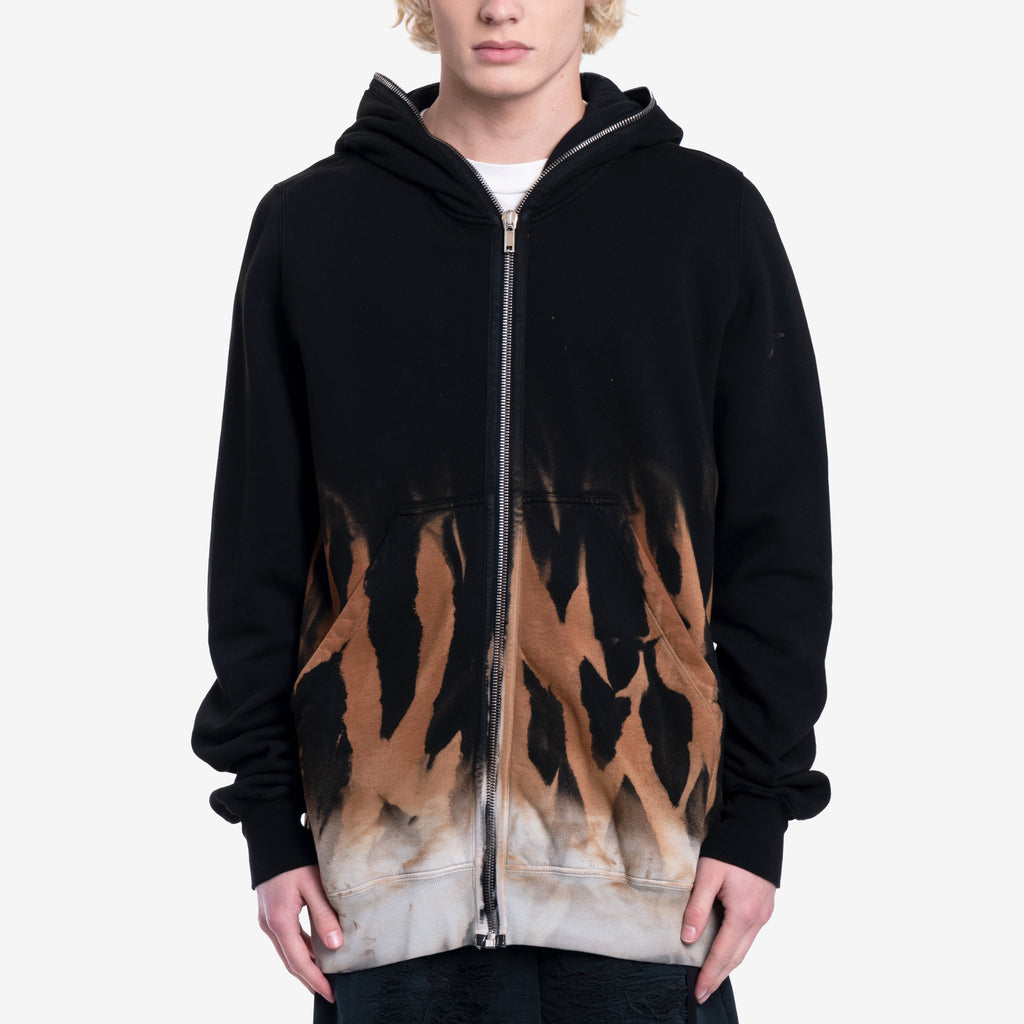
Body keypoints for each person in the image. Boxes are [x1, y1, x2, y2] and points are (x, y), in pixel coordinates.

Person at [191, 1, 832, 1020]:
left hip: (647, 884)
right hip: (385, 885)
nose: (500, 6)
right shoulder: (313, 227)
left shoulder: (706, 220)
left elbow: (779, 546)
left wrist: (758, 818)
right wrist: (270, 821)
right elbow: (257, 549)